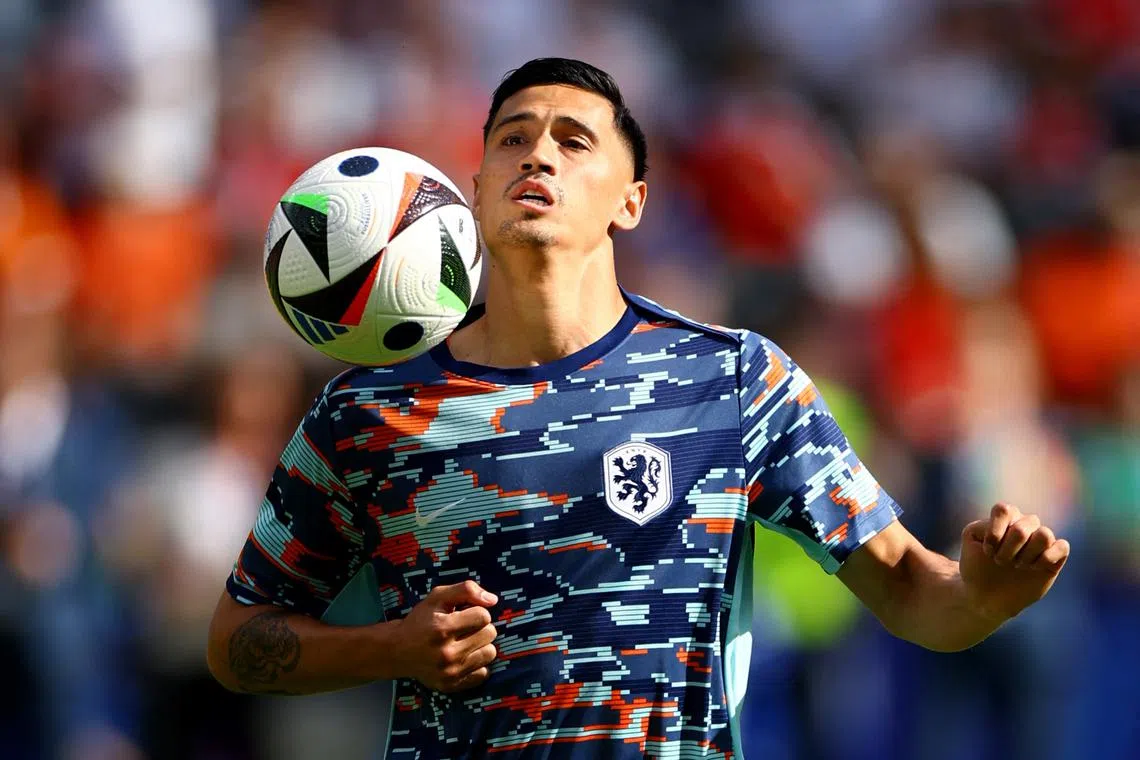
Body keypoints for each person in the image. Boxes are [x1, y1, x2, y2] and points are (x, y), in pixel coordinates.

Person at [205, 58, 1070, 758]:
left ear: (632, 202)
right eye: (513, 138)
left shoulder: (736, 380)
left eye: (573, 140)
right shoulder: (368, 411)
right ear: (473, 188)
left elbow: (918, 598)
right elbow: (237, 643)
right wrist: (388, 648)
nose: (537, 155)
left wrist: (985, 596)